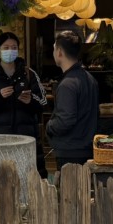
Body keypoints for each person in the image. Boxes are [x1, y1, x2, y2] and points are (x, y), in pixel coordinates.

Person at [0, 31, 47, 176]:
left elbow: (43, 103)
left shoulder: (29, 74)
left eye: (14, 47)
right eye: (6, 47)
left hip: (25, 140)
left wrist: (30, 101)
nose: (10, 50)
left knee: (27, 178)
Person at [45, 30, 98, 169]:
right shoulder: (90, 79)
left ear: (59, 52)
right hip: (87, 148)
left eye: (54, 48)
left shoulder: (67, 84)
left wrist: (49, 126)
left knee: (70, 184)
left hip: (70, 152)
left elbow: (65, 121)